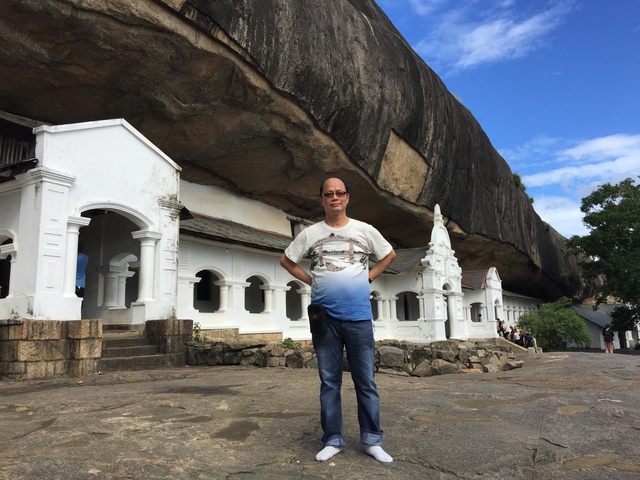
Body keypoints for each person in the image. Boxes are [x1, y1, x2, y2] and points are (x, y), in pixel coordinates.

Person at [280, 178, 396, 463]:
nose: (334, 197)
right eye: (328, 194)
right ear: (321, 199)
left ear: (347, 197)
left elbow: (389, 255)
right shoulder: (310, 234)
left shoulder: (364, 230)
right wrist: (313, 281)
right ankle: (333, 439)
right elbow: (286, 260)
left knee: (365, 381)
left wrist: (368, 276)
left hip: (358, 317)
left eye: (339, 193)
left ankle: (372, 440)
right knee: (329, 382)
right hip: (325, 320)